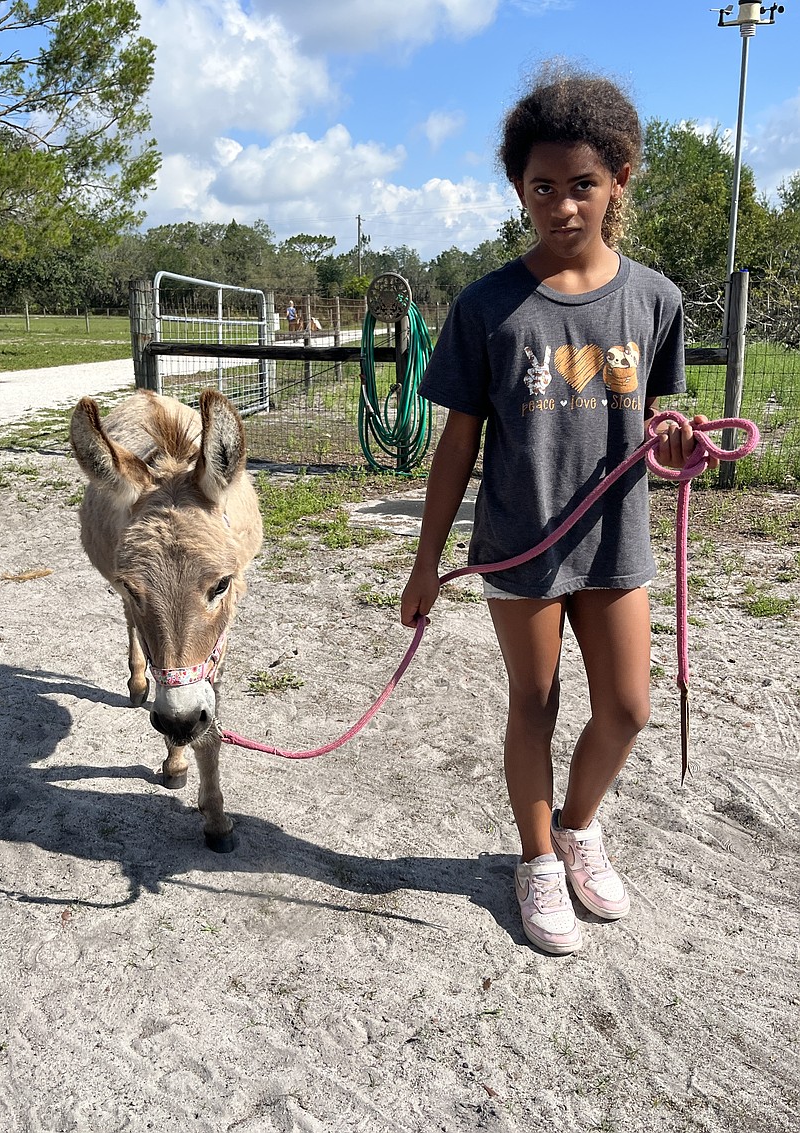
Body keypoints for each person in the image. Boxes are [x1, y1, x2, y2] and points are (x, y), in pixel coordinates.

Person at [400, 62, 714, 956]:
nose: (564, 205)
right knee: (531, 705)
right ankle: (536, 859)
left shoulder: (656, 299)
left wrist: (679, 440)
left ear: (620, 178)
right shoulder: (488, 306)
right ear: (518, 188)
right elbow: (457, 444)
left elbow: (662, 418)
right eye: (544, 187)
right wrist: (427, 560)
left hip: (617, 542)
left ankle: (578, 826)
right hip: (519, 546)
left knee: (628, 708)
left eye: (584, 184)